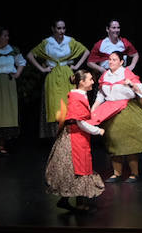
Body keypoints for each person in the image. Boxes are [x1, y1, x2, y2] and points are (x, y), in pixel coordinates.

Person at [44, 68, 105, 213]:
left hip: (78, 136)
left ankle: (66, 201)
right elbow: (80, 123)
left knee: (74, 170)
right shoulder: (77, 98)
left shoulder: (81, 95)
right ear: (82, 82)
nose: (92, 81)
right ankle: (80, 205)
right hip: (74, 138)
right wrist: (98, 130)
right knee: (79, 169)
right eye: (90, 79)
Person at [90, 50, 142, 181]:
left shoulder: (126, 73)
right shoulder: (105, 75)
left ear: (121, 62)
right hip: (109, 110)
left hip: (126, 109)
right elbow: (100, 96)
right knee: (113, 140)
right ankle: (117, 173)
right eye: (110, 59)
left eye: (114, 60)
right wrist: (93, 111)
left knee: (129, 141)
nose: (111, 62)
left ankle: (134, 173)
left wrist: (131, 84)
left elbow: (141, 90)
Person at [28, 20, 88, 139]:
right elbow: (30, 55)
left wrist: (76, 67)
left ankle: (69, 135)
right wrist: (42, 69)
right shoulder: (47, 43)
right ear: (53, 29)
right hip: (53, 74)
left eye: (63, 28)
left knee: (69, 102)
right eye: (59, 28)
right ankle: (56, 136)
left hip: (67, 74)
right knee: (55, 104)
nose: (61, 31)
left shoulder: (69, 41)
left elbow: (86, 51)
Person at [0, 25, 25, 155]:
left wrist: (17, 74)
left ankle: (2, 145)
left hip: (9, 84)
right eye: (5, 35)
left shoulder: (12, 50)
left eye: (8, 36)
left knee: (7, 114)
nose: (7, 38)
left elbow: (21, 62)